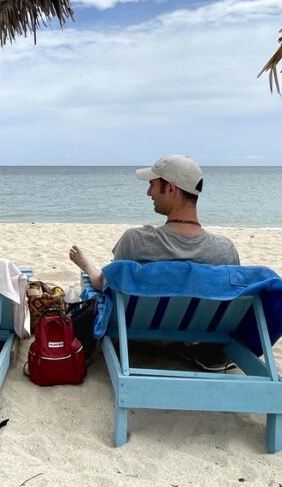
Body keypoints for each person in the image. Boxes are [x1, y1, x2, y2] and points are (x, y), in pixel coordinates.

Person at [69, 155, 239, 370]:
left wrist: (85, 264)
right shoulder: (225, 250)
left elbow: (104, 284)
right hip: (198, 329)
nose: (148, 193)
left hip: (137, 328)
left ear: (171, 189)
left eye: (152, 185)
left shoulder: (136, 240)